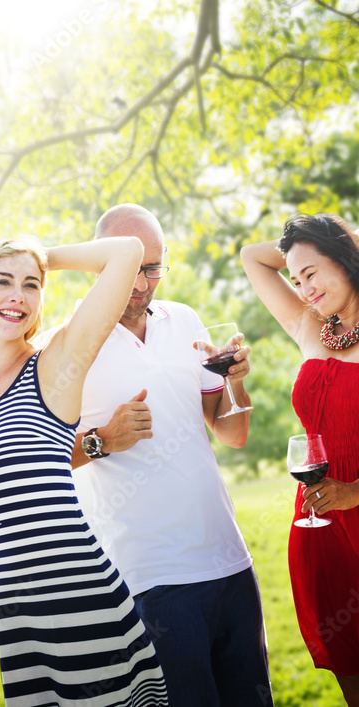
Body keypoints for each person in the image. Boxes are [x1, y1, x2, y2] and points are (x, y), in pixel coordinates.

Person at [0, 235, 168, 706]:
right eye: (2, 281)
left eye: (31, 285)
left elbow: (127, 253)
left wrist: (38, 255)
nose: (17, 295)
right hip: (18, 618)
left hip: (80, 596)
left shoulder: (55, 364)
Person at [67, 203, 273, 706]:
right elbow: (41, 454)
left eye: (152, 267)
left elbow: (231, 432)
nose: (140, 283)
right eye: (129, 267)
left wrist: (235, 383)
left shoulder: (183, 320)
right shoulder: (67, 345)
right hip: (152, 579)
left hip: (229, 562)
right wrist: (103, 439)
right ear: (98, 264)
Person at [242, 213, 359, 704]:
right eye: (295, 279)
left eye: (311, 273)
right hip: (320, 521)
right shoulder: (314, 328)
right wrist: (301, 248)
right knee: (351, 666)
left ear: (347, 259)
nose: (304, 289)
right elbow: (252, 257)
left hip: (351, 503)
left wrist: (355, 492)